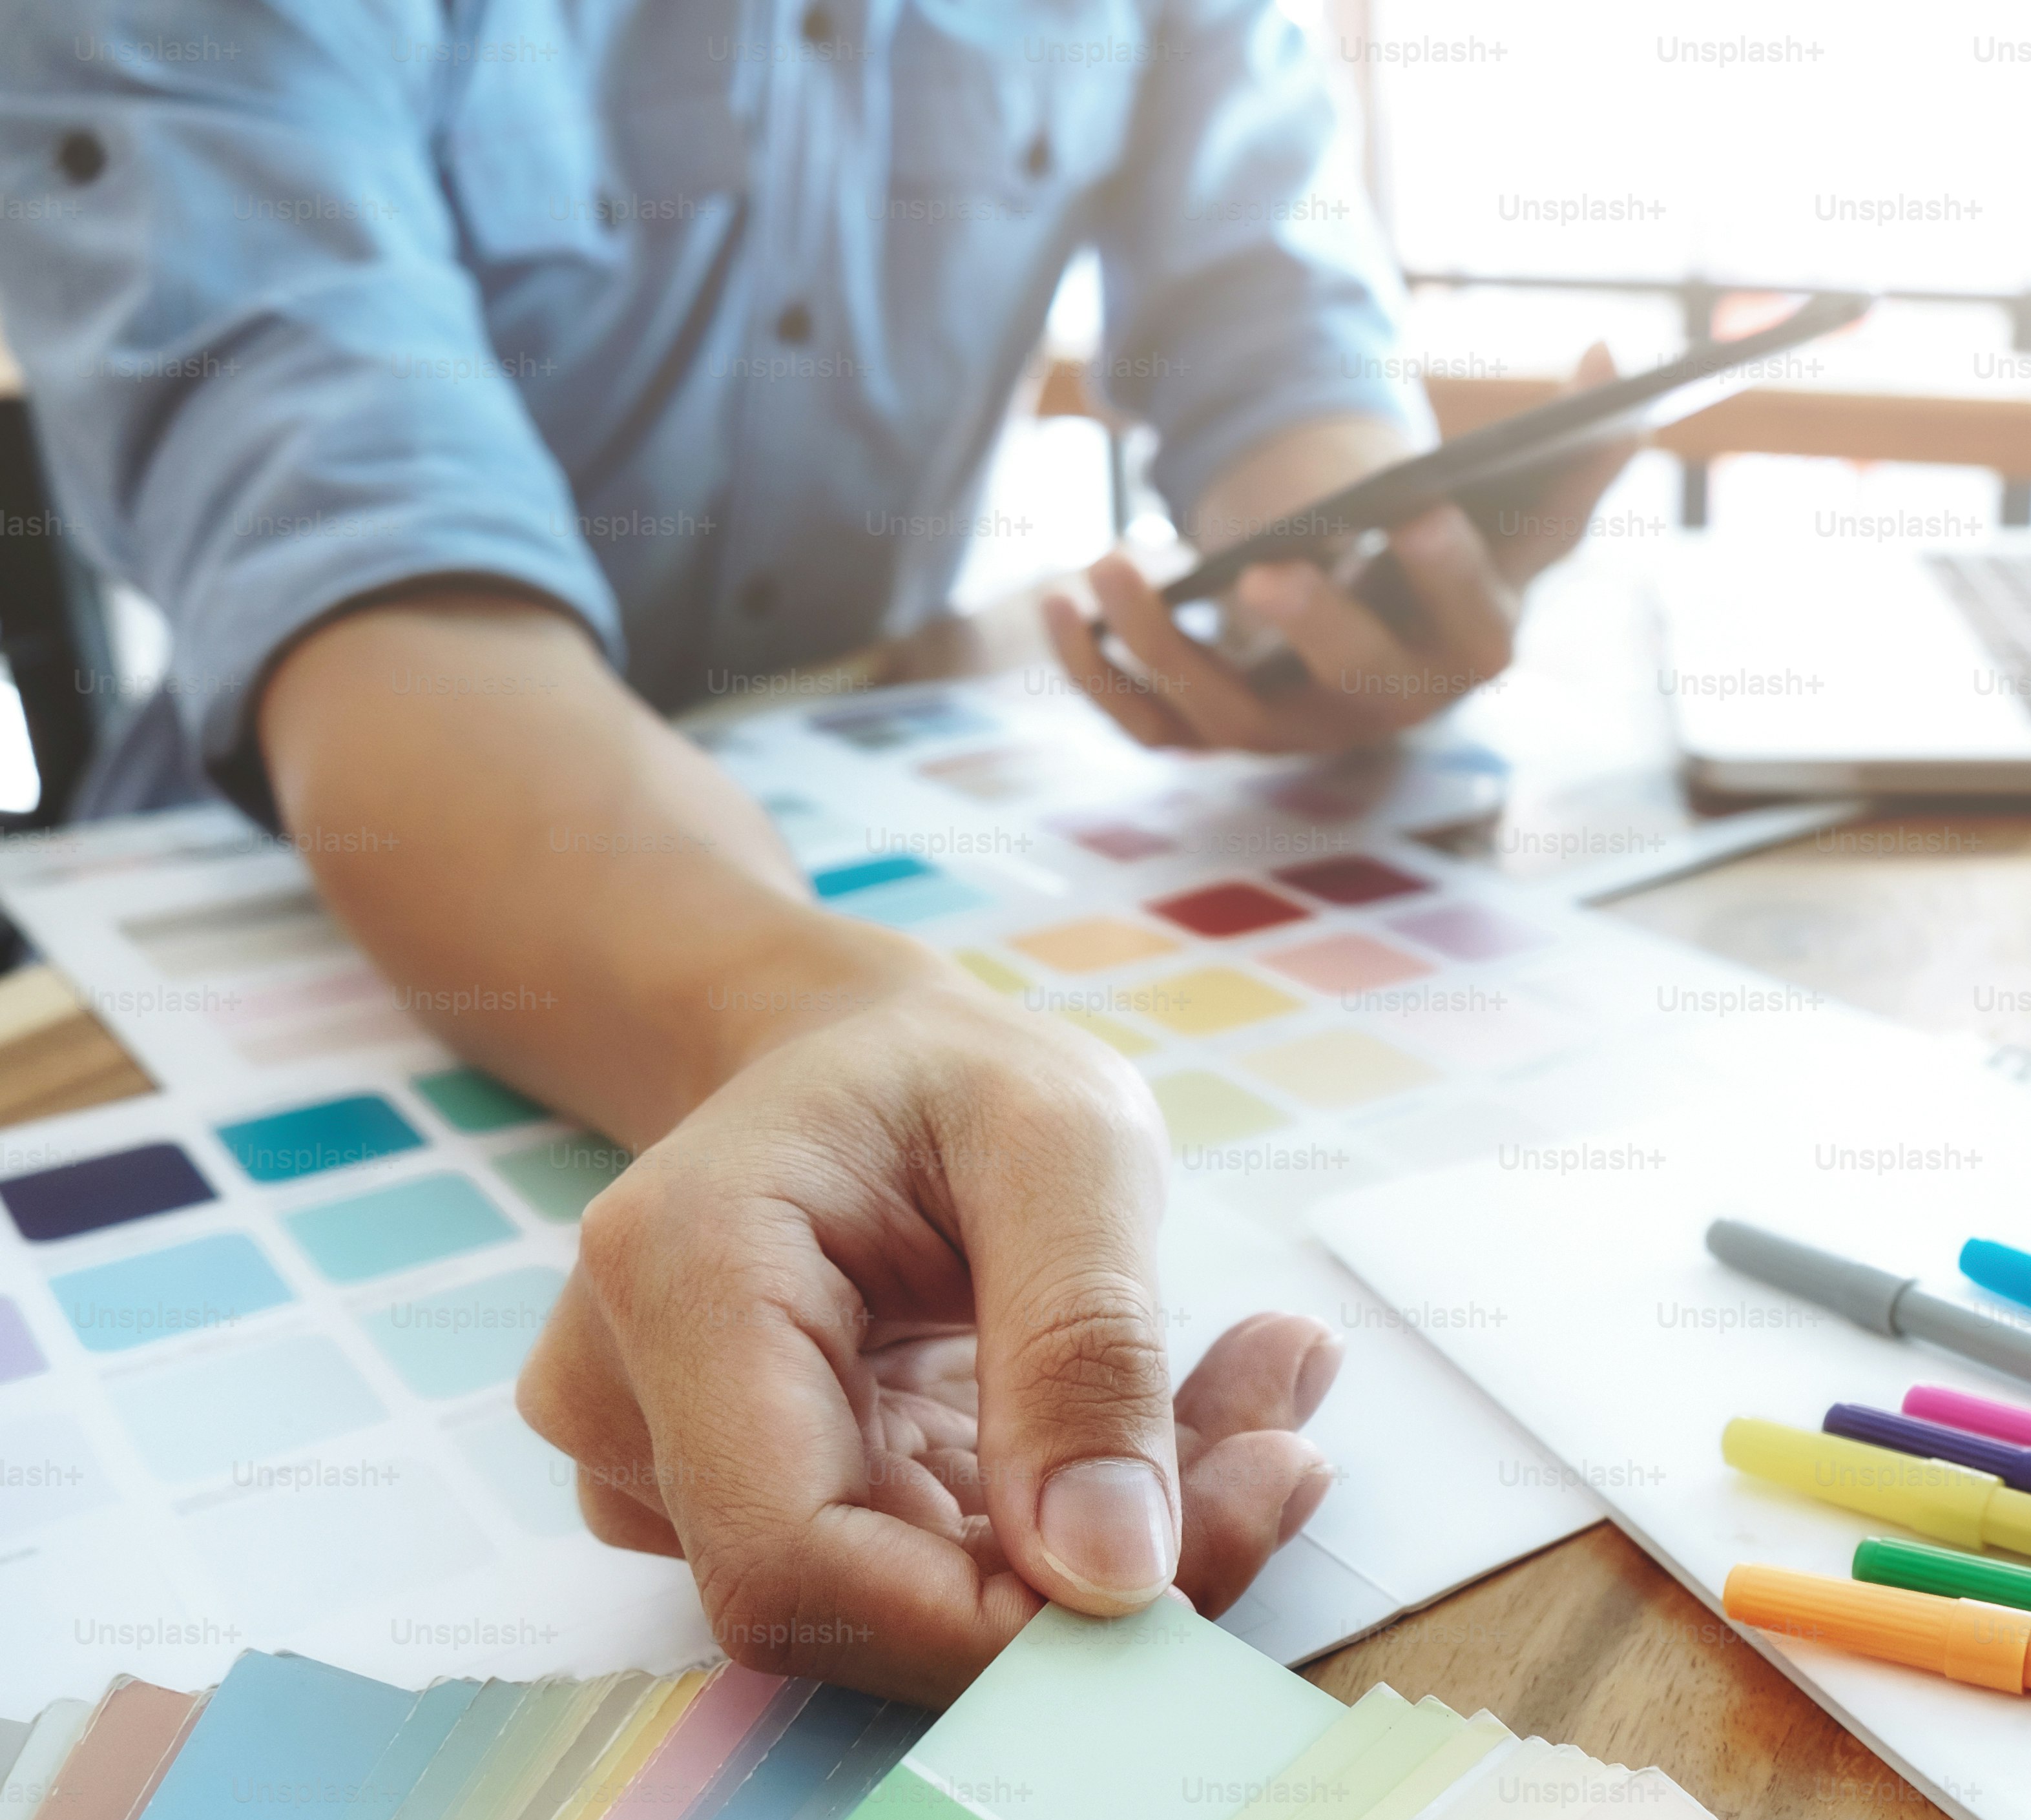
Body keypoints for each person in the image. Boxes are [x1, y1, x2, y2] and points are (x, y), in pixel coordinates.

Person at [0, 2, 1622, 1702]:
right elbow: (363, 556)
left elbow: (1274, 337)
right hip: (254, 931)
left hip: (885, 780)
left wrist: (1367, 568)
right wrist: (821, 1020)